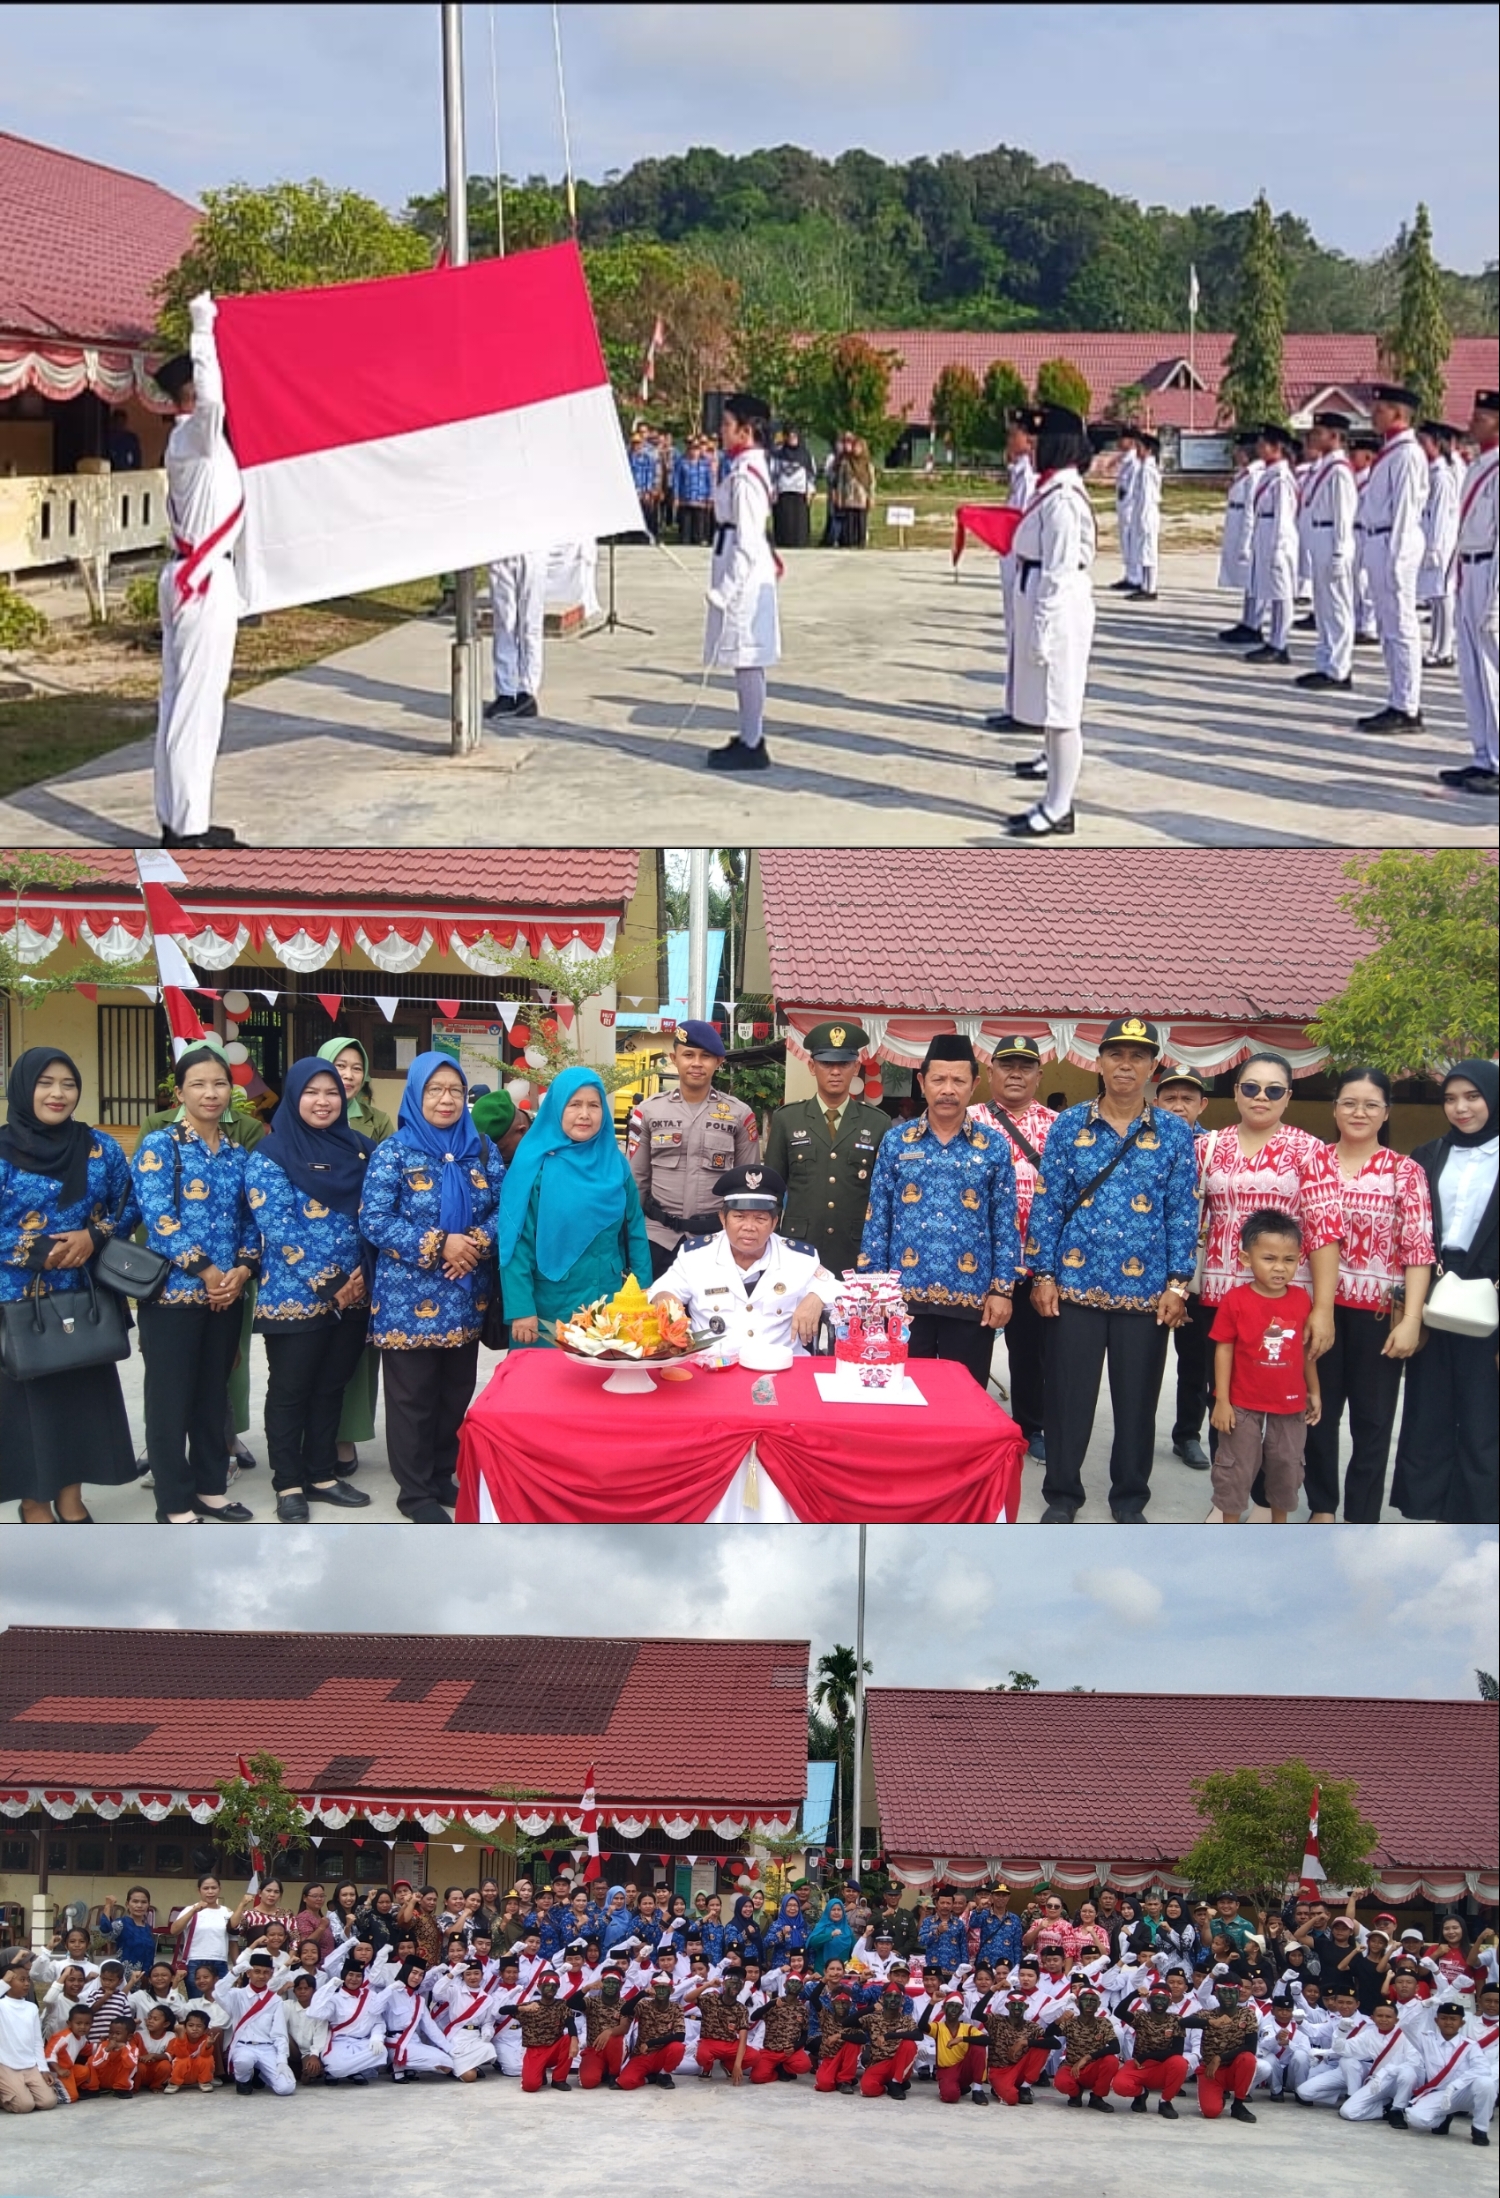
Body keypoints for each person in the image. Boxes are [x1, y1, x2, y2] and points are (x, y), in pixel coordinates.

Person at [1027, 1018, 1199, 1521]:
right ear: (1099, 1062)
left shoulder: (1173, 1133)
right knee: (1068, 1401)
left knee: (1136, 1404)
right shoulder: (1069, 1125)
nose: (1126, 1066)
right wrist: (1043, 1274)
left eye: (1138, 1057)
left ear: (1152, 1067)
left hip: (1144, 1294)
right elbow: (1047, 1203)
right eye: (1116, 1055)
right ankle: (1062, 1496)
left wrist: (1178, 1285)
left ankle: (1129, 1499)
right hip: (1074, 1288)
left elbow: (1181, 1212)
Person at [361, 1053, 505, 1521]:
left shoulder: (481, 1149)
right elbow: (374, 1219)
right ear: (416, 1095)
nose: (446, 1099)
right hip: (408, 1300)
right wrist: (441, 1243)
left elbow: (504, 1208)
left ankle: (443, 1474)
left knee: (454, 1392)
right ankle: (415, 1492)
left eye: (455, 1090)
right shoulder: (394, 1152)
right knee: (413, 1400)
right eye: (435, 1090)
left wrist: (475, 1242)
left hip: (464, 1296)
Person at [0, 1048, 140, 1523]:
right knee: (28, 1409)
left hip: (84, 1299)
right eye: (45, 1083)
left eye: (68, 1083)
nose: (58, 1094)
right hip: (16, 1301)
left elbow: (128, 1205)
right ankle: (34, 1503)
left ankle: (71, 1498)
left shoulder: (99, 1146)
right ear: (23, 1088)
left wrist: (94, 1235)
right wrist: (35, 1248)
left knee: (78, 1402)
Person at [1194, 1053, 1343, 1481]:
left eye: (1273, 1090)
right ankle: (1226, 1491)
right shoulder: (1208, 1147)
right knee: (1222, 1395)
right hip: (1220, 1296)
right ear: (1236, 1091)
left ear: (1288, 1097)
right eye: (1251, 1087)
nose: (1261, 1097)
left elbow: (1324, 1232)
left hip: (1281, 1299)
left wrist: (1323, 1309)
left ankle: (1265, 1499)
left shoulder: (1309, 1151)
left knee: (1276, 1397)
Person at [132, 1045, 259, 1524]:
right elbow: (159, 1219)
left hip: (225, 1299)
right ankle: (172, 1501)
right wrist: (207, 1271)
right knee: (169, 1402)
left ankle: (210, 1489)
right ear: (180, 1092)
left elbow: (251, 1220)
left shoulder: (237, 1154)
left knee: (211, 1397)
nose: (211, 1093)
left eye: (219, 1083)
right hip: (173, 1298)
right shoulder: (160, 1146)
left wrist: (242, 1271)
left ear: (231, 1091)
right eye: (199, 1084)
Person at [246, 1057, 374, 1522]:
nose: (323, 1102)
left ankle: (321, 1475)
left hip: (354, 1292)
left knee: (330, 1388)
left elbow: (376, 1214)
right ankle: (287, 1484)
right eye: (312, 1092)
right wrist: (330, 1281)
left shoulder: (361, 1149)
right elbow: (278, 1226)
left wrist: (361, 1276)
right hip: (294, 1296)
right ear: (294, 1096)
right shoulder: (271, 1153)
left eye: (332, 1092)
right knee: (290, 1391)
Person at [1303, 1067, 1434, 1521]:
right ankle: (1321, 1507)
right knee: (1317, 1413)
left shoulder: (1405, 1171)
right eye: (1349, 1103)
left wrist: (1412, 1319)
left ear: (1386, 1113)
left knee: (1373, 1423)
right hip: (1318, 1310)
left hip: (1378, 1317)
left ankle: (1361, 1518)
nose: (1359, 1112)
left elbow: (1418, 1248)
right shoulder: (1313, 1162)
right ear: (1335, 1108)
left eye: (1371, 1105)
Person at [858, 1033, 1019, 1391]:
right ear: (922, 1082)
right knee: (902, 1398)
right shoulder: (896, 1141)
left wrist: (1003, 1290)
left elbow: (1005, 1224)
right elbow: (877, 1217)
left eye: (958, 1081)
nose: (948, 1090)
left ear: (974, 1085)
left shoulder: (992, 1146)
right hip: (902, 1301)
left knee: (963, 1399)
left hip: (971, 1297)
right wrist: (874, 1290)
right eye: (938, 1080)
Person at [151, 292, 244, 848]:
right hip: (203, 581)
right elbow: (212, 402)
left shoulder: (191, 442)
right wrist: (202, 327)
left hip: (193, 577)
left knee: (180, 700)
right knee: (195, 704)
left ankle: (178, 815)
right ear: (192, 388)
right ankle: (188, 828)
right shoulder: (195, 436)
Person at [1393, 1061, 1498, 1524]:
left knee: (1484, 1408)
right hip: (1435, 1287)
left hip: (1491, 1289)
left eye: (1473, 1097)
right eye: (1451, 1099)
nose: (1461, 1108)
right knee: (1429, 1404)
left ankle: (1479, 1517)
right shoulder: (1429, 1154)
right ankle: (1430, 1510)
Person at [498, 1065, 649, 1348]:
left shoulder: (615, 1164)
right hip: (548, 1309)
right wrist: (521, 1309)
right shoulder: (533, 1165)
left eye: (594, 1105)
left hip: (609, 1303)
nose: (585, 1114)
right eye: (574, 1104)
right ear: (557, 1108)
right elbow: (516, 1242)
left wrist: (642, 1289)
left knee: (603, 1374)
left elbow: (635, 1230)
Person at [1005, 405, 1099, 837]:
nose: (1034, 445)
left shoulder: (1062, 499)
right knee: (1050, 708)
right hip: (1043, 599)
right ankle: (1052, 798)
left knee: (1062, 711)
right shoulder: (1052, 489)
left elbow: (1058, 573)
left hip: (1059, 610)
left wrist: (1042, 630)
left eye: (1042, 439)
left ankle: (1060, 806)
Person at [969, 1034, 1057, 1459]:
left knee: (1031, 1353)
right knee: (972, 1348)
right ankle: (970, 1424)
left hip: (1036, 1263)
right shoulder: (969, 1120)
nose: (1016, 1074)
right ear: (991, 1072)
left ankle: (1031, 1426)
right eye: (1007, 1065)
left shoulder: (1060, 1127)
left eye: (1025, 1067)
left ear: (1039, 1075)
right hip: (977, 1262)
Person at [649, 1163, 837, 1358]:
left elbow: (842, 1289)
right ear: (723, 1219)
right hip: (713, 1367)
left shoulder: (798, 1258)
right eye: (739, 1217)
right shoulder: (696, 1257)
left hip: (782, 1365)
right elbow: (662, 1290)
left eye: (760, 1219)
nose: (749, 1227)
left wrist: (817, 1297)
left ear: (774, 1222)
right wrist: (664, 1298)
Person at [1209, 1209, 1322, 1522]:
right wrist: (1222, 1401)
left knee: (1287, 1465)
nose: (1280, 1268)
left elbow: (1305, 1351)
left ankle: (1277, 1529)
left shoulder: (1302, 1300)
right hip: (1241, 1404)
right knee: (1236, 1467)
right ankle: (1228, 1529)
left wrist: (1314, 1391)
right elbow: (1224, 1350)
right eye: (1269, 1258)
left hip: (1289, 1404)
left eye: (1289, 1260)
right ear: (1246, 1259)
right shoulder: (1235, 1300)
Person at [628, 1021, 759, 1278]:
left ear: (718, 1062)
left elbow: (747, 1185)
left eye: (705, 1056)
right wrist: (630, 1237)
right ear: (674, 1059)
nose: (696, 1063)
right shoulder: (649, 1111)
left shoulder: (740, 1115)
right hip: (657, 1239)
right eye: (688, 1055)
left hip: (716, 1241)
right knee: (655, 1303)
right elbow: (636, 1180)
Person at [314, 1038, 392, 1470]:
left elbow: (386, 1188)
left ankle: (347, 1436)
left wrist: (367, 1260)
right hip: (310, 1254)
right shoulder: (301, 1116)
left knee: (357, 1355)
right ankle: (309, 1438)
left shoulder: (377, 1122)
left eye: (355, 1067)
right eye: (339, 1065)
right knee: (309, 1353)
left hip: (362, 1247)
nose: (347, 1075)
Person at [763, 1020, 892, 1278]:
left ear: (856, 1067)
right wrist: (769, 1244)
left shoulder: (877, 1123)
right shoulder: (788, 1119)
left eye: (844, 1064)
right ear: (812, 1066)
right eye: (826, 1063)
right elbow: (771, 1191)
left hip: (855, 1248)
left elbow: (883, 1197)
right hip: (798, 1248)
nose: (835, 1072)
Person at [703, 392, 782, 772]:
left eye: (727, 424)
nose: (721, 430)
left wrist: (725, 591)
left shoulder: (746, 476)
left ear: (746, 431)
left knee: (748, 656)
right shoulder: (741, 467)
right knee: (743, 659)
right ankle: (749, 733)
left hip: (745, 578)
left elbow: (747, 543)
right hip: (736, 561)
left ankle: (753, 742)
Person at [1356, 382, 1430, 735]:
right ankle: (1397, 697)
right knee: (1389, 627)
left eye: (1380, 409)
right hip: (1379, 539)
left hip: (1393, 542)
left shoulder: (1407, 454)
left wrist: (1397, 561)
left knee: (1401, 626)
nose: (1374, 414)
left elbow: (1404, 510)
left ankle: (1408, 706)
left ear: (1398, 413)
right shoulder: (1391, 450)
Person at [1151, 1065, 1213, 1469]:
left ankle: (1188, 1434)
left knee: (1197, 1358)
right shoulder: (1146, 1142)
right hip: (1150, 1269)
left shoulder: (1214, 1148)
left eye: (1187, 1099)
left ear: (1202, 1104)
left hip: (1200, 1268)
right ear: (1157, 1102)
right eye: (1170, 1098)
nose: (1178, 1106)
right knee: (1143, 1360)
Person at [1440, 388, 1499, 798]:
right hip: (1469, 568)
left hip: (1490, 572)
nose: (1472, 422)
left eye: (1482, 417)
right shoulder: (1479, 465)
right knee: (1472, 671)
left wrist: (1495, 599)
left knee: (1493, 672)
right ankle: (1483, 755)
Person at [986, 406, 1042, 732]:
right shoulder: (1020, 473)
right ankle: (1015, 705)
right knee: (1013, 634)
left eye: (1014, 434)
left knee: (1023, 636)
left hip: (1024, 565)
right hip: (1012, 562)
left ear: (1029, 439)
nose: (1009, 440)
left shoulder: (1031, 478)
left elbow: (1023, 524)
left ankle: (1025, 711)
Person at [1293, 412, 1357, 692]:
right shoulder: (1322, 467)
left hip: (1332, 539)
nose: (1313, 437)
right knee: (1323, 607)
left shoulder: (1339, 471)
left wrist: (1340, 552)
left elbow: (1344, 514)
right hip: (1319, 537)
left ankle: (1340, 668)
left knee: (1337, 607)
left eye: (1319, 432)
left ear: (1334, 436)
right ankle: (1325, 661)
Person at [1243, 424, 1298, 667]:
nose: (1259, 447)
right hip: (1265, 534)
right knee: (1273, 591)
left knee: (1281, 594)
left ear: (1276, 448)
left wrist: (1278, 548)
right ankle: (1274, 640)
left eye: (1263, 444)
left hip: (1278, 540)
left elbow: (1283, 517)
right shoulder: (1270, 474)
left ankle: (1280, 644)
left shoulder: (1281, 479)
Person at [1418, 421, 1461, 669]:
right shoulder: (1432, 473)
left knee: (1444, 595)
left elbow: (1442, 516)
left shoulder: (1442, 476)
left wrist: (1434, 547)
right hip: (1432, 541)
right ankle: (1435, 645)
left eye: (1424, 442)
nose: (1420, 447)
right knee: (1435, 597)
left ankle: (1445, 649)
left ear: (1436, 444)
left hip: (1443, 543)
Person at [484, 550, 545, 722]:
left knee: (530, 624)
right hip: (501, 548)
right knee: (504, 622)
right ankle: (506, 692)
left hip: (533, 549)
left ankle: (527, 691)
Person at [1217, 433, 1264, 641]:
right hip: (1236, 525)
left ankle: (1254, 625)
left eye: (1238, 450)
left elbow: (1250, 512)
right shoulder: (1244, 473)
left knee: (1254, 582)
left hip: (1249, 533)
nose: (1235, 454)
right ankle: (1247, 621)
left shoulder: (1256, 475)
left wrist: (1246, 542)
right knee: (1248, 582)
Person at [0, 1961, 56, 2114]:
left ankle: (18, 2091)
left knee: (48, 2102)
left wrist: (43, 2069)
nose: (26, 1984)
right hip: (6, 2065)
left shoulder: (31, 2008)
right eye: (21, 1980)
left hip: (29, 2064)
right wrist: (3, 1982)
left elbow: (37, 2041)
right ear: (8, 1981)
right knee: (24, 2106)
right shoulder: (2, 2006)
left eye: (28, 1980)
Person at [1125, 432, 1161, 601]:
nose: (1137, 451)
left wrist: (1143, 519)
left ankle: (1151, 588)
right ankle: (1144, 586)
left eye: (1139, 447)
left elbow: (1147, 497)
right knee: (1143, 553)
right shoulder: (1143, 467)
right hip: (1142, 513)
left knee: (1149, 552)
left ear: (1149, 450)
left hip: (1148, 515)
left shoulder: (1148, 470)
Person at [771, 430, 814, 549]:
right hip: (783, 492)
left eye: (794, 436)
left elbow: (810, 475)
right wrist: (773, 490)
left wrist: (809, 491)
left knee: (799, 521)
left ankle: (800, 542)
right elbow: (773, 473)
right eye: (789, 436)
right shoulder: (778, 455)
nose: (792, 439)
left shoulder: (805, 455)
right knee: (784, 520)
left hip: (800, 493)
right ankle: (783, 542)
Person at [1112, 428, 1141, 593]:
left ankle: (1135, 577)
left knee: (1132, 544)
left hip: (1130, 510)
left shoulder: (1134, 463)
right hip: (1124, 509)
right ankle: (1129, 575)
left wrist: (1128, 509)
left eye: (1122, 439)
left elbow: (1131, 490)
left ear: (1131, 441)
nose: (1118, 442)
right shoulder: (1126, 461)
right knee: (1126, 544)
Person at [834, 435, 875, 549]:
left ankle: (861, 542)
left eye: (858, 447)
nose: (856, 449)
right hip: (849, 496)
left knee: (861, 520)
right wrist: (839, 496)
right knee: (850, 521)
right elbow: (841, 481)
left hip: (862, 496)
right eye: (854, 446)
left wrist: (871, 497)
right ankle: (850, 542)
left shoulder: (867, 464)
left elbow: (871, 482)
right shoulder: (846, 462)